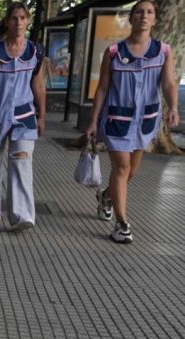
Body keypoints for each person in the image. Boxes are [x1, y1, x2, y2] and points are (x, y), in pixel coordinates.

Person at [86, 0, 179, 244]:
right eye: (139, 12)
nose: (144, 16)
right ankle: (122, 223)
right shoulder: (115, 53)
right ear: (131, 18)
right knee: (122, 168)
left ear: (155, 19)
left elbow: (169, 83)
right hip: (117, 119)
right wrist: (94, 121)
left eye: (149, 12)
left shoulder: (164, 51)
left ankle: (107, 196)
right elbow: (103, 88)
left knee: (131, 171)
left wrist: (173, 108)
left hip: (145, 121)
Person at [0, 2, 45, 231]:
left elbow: (38, 85)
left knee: (21, 163)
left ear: (28, 21)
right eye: (14, 18)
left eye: (22, 18)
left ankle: (23, 216)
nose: (18, 23)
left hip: (24, 118)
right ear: (7, 22)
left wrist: (42, 116)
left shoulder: (35, 52)